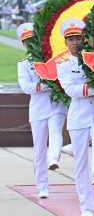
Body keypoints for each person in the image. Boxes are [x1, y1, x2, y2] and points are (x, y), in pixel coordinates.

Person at [56, 18, 94, 216]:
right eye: (70, 39)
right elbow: (72, 90)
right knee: (80, 163)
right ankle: (86, 205)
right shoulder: (63, 66)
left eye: (77, 38)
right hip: (78, 116)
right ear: (65, 42)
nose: (74, 42)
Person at [17, 23, 67, 198]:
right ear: (23, 44)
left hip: (56, 105)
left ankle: (54, 159)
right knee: (38, 149)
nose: (30, 44)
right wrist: (47, 84)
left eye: (33, 40)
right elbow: (26, 87)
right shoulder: (24, 64)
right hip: (38, 109)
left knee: (55, 131)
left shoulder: (52, 58)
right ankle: (42, 186)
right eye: (27, 42)